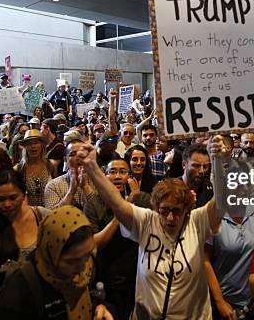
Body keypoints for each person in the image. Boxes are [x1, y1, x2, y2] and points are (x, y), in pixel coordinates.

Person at [75, 137, 224, 319]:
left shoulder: (197, 221)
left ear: (187, 209)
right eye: (164, 210)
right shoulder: (146, 221)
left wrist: (220, 161)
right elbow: (116, 202)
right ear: (155, 208)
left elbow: (221, 201)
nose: (170, 217)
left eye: (176, 211)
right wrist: (91, 166)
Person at [0, 206, 114, 319]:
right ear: (50, 254)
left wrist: (102, 308)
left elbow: (99, 298)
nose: (82, 267)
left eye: (88, 255)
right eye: (71, 262)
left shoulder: (88, 267)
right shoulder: (18, 292)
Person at [84, 158, 151, 319]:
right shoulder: (94, 204)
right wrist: (122, 211)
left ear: (130, 176)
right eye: (112, 172)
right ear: (104, 176)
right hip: (107, 279)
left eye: (123, 172)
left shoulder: (142, 199)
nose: (118, 176)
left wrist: (134, 204)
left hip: (138, 277)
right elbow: (95, 244)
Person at [204, 168, 254, 320]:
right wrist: (219, 301)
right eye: (238, 185)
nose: (244, 189)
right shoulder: (214, 216)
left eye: (246, 184)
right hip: (225, 299)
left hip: (253, 300)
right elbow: (205, 260)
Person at [0, 171, 50, 291]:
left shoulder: (42, 216)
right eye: (1, 199)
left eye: (13, 198)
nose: (7, 204)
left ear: (24, 195)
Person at [44, 140, 97, 209]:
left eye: (82, 153)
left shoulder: (98, 181)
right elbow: (52, 216)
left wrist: (85, 187)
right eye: (73, 154)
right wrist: (71, 191)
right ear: (65, 160)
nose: (78, 157)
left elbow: (103, 213)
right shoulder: (53, 185)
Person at [14, 129, 59, 206]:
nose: (33, 146)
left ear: (42, 145)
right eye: (29, 144)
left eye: (36, 143)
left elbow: (57, 190)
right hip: (28, 214)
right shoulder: (18, 169)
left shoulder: (50, 166)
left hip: (49, 213)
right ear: (25, 147)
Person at [181, 143, 213, 208]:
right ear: (184, 165)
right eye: (196, 166)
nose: (202, 171)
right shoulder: (173, 189)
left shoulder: (209, 186)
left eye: (205, 166)